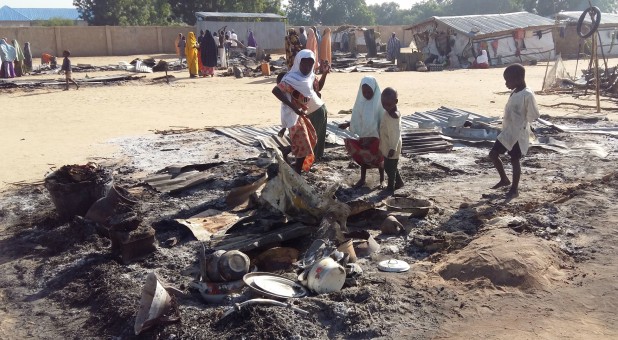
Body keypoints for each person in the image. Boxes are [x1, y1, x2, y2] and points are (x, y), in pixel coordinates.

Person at [489, 64, 540, 199]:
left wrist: (526, 125)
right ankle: (504, 179)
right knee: (493, 154)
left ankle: (514, 189)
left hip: (518, 133)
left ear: (517, 79)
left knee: (514, 159)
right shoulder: (515, 91)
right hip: (508, 131)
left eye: (508, 80)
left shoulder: (527, 94)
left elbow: (533, 114)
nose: (506, 84)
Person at [272, 52, 319, 174]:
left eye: (310, 64)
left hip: (302, 114)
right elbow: (276, 90)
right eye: (304, 64)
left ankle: (290, 156)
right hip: (293, 115)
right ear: (298, 63)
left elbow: (316, 92)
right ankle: (297, 170)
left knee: (311, 138)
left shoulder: (310, 78)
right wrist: (293, 107)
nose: (307, 67)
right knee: (304, 142)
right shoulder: (290, 79)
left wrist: (325, 74)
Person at [339, 76, 385, 188]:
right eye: (364, 92)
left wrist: (380, 135)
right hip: (364, 136)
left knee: (379, 160)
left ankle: (382, 180)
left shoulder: (379, 103)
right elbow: (357, 119)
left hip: (376, 137)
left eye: (369, 91)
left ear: (374, 89)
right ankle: (362, 179)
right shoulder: (361, 103)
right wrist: (347, 124)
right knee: (364, 158)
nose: (367, 94)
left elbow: (383, 120)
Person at [379, 87, 404, 193]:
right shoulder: (388, 111)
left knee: (389, 167)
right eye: (383, 104)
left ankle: (390, 187)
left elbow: (396, 134)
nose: (386, 107)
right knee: (391, 166)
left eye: (388, 104)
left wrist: (393, 148)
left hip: (392, 146)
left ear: (396, 102)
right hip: (387, 144)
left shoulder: (394, 116)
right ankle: (399, 182)